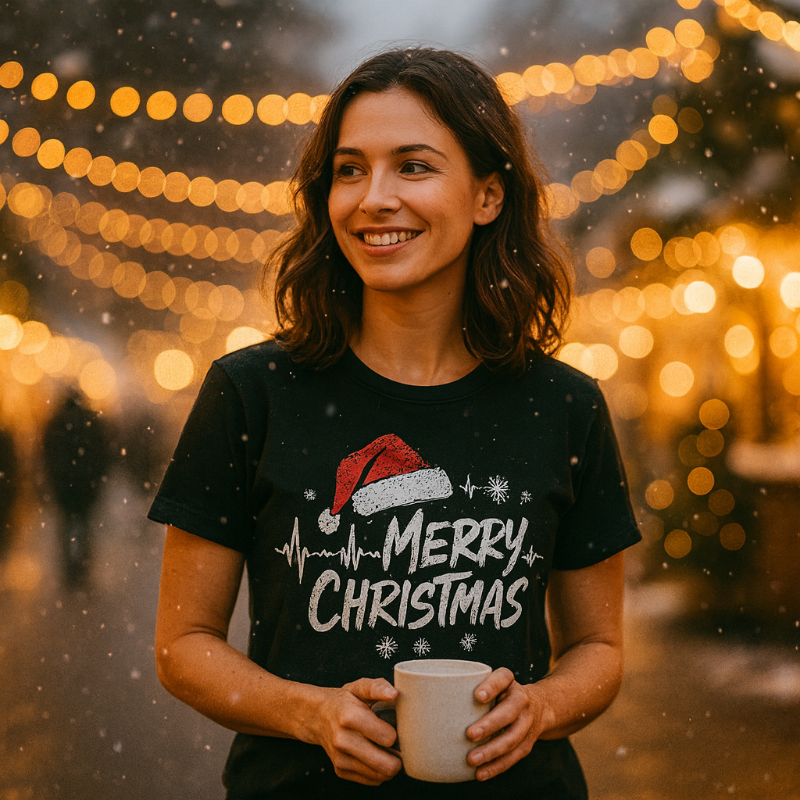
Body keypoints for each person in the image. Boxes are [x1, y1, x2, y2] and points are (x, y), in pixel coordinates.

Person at [150, 47, 641, 799]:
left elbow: (600, 649)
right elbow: (182, 646)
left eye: (413, 166)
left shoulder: (565, 405)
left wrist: (539, 709)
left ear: (488, 196)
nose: (373, 198)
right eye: (350, 169)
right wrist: (309, 713)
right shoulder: (253, 392)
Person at [43, 388, 111, 586]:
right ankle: (82, 566)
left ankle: (69, 568)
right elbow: (103, 453)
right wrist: (97, 480)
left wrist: (54, 478)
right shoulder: (92, 421)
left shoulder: (55, 422)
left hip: (63, 485)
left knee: (65, 526)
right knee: (85, 525)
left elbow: (47, 453)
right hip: (85, 485)